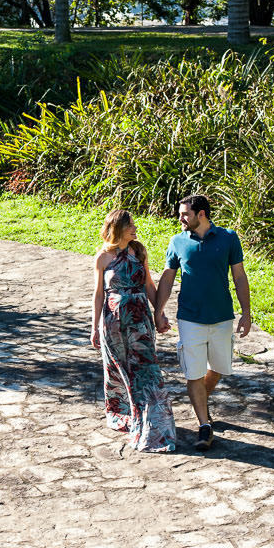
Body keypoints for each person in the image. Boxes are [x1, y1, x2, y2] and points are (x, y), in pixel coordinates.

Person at [155, 194, 251, 451]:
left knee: (219, 367)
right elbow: (167, 278)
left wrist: (246, 312)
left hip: (222, 316)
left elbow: (239, 277)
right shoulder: (177, 241)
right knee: (194, 373)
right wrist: (159, 311)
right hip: (190, 318)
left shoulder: (228, 238)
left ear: (202, 214)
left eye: (184, 213)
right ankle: (204, 425)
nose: (180, 218)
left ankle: (200, 400)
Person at [91, 209, 176, 453]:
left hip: (140, 320)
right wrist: (95, 326)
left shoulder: (139, 251)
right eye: (130, 226)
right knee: (119, 369)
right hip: (114, 322)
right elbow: (98, 294)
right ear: (117, 228)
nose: (135, 229)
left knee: (147, 370)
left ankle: (154, 425)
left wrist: (159, 313)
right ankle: (124, 414)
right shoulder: (103, 258)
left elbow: (149, 284)